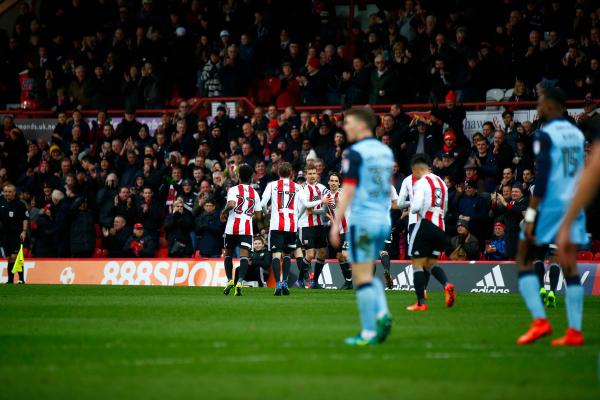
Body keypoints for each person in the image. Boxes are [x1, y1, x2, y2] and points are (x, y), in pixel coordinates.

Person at [516, 88, 587, 346]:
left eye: (541, 102)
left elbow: (543, 178)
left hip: (552, 205)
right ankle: (574, 331)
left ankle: (540, 321)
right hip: (575, 205)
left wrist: (532, 214)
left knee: (523, 256)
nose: (538, 106)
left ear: (551, 105)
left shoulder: (545, 135)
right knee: (569, 265)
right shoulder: (577, 134)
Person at [328, 107, 393, 346]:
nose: (345, 127)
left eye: (349, 123)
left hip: (364, 219)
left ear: (362, 124)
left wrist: (336, 223)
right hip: (383, 221)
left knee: (361, 276)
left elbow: (349, 188)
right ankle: (382, 314)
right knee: (364, 273)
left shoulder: (354, 153)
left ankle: (368, 331)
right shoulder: (385, 152)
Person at [260, 162, 325, 296]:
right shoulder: (297, 187)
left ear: (278, 173)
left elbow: (262, 204)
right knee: (288, 255)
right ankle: (284, 282)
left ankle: (278, 283)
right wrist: (321, 201)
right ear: (291, 174)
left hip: (276, 226)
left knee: (276, 255)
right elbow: (306, 204)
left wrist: (267, 211)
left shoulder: (271, 185)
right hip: (291, 226)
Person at [406, 154, 456, 311]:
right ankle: (446, 284)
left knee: (417, 263)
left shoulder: (421, 183)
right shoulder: (442, 182)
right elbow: (446, 207)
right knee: (431, 263)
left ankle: (421, 303)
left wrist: (415, 208)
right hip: (440, 226)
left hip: (426, 224)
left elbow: (415, 207)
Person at [220, 164, 263, 297]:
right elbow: (260, 216)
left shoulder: (233, 189)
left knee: (228, 254)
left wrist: (224, 211)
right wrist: (248, 216)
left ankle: (229, 281)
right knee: (244, 256)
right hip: (246, 228)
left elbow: (231, 204)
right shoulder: (254, 193)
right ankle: (240, 281)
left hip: (231, 228)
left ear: (238, 176)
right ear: (250, 178)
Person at [297, 164, 330, 289]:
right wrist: (322, 201)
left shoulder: (322, 188)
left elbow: (329, 200)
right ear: (306, 175)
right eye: (309, 173)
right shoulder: (302, 188)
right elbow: (307, 205)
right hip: (305, 225)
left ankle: (315, 282)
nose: (312, 176)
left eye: (313, 173)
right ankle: (300, 280)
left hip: (319, 225)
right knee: (310, 254)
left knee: (322, 253)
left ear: (317, 175)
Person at [324, 171, 353, 290]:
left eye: (336, 181)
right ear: (328, 182)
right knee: (339, 256)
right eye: (332, 180)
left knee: (346, 254)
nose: (334, 183)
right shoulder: (327, 197)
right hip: (338, 231)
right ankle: (348, 281)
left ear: (339, 183)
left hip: (349, 229)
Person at [1, 184, 29, 283]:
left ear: (14, 193)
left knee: (16, 257)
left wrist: (24, 231)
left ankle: (21, 279)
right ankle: (10, 280)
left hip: (17, 234)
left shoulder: (20, 204)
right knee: (9, 258)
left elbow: (25, 219)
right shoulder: (1, 204)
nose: (7, 194)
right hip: (5, 235)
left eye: (9, 192)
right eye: (5, 192)